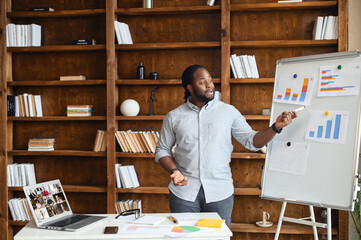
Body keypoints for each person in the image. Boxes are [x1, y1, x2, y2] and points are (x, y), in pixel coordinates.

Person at [155, 64, 297, 227]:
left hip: (220, 193)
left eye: (210, 80)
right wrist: (174, 171)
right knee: (184, 237)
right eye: (203, 82)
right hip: (183, 194)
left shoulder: (229, 112)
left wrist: (275, 127)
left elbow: (252, 141)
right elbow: (162, 150)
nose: (209, 85)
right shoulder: (174, 117)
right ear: (190, 87)